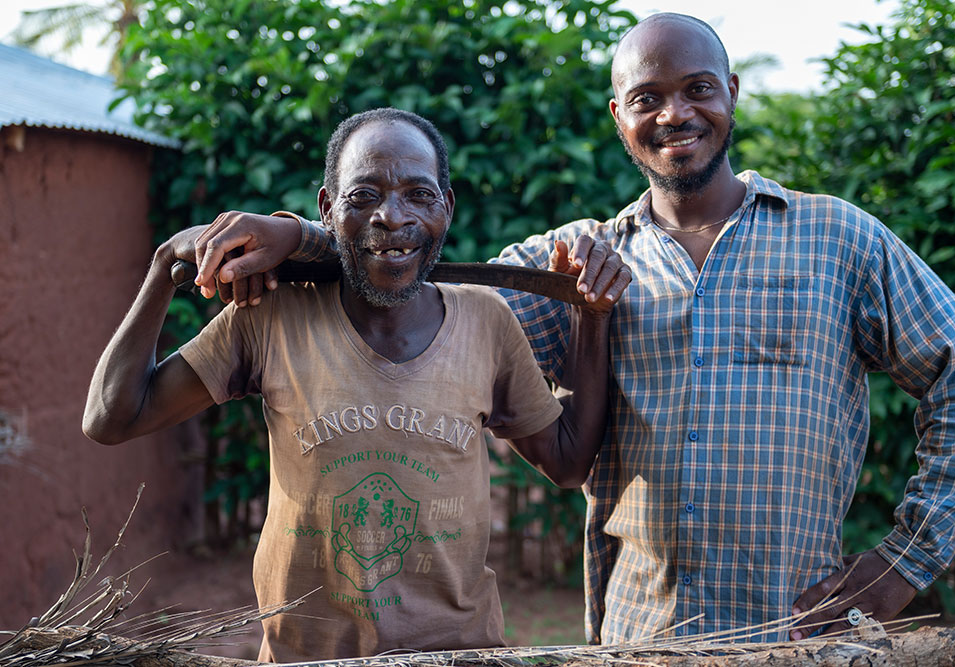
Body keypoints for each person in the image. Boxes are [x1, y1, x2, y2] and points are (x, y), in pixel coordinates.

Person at [187, 13, 955, 645]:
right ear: (620, 118)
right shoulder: (573, 265)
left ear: (732, 95)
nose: (675, 113)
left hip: (794, 632)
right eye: (648, 98)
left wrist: (901, 564)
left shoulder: (839, 239)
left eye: (698, 89)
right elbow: (413, 275)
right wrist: (305, 235)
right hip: (637, 639)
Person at [82, 108, 632, 661]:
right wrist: (162, 267)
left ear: (447, 205)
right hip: (307, 656)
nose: (392, 217)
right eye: (363, 195)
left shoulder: (486, 322)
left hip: (458, 656)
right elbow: (112, 417)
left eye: (419, 194)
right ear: (327, 208)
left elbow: (566, 461)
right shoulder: (269, 317)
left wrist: (592, 316)